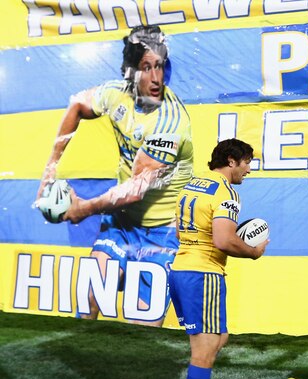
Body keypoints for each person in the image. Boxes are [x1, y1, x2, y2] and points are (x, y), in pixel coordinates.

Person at [36, 25, 193, 326]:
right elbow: (77, 105)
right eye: (147, 68)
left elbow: (135, 189)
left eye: (160, 66)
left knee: (142, 327)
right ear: (130, 72)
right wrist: (50, 168)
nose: (156, 78)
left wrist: (84, 208)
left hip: (163, 234)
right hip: (121, 224)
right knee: (91, 298)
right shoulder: (115, 94)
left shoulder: (170, 124)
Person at [168, 138, 268, 379]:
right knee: (205, 351)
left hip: (182, 270)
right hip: (204, 275)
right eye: (247, 162)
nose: (249, 169)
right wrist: (252, 251)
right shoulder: (226, 192)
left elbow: (177, 229)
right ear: (231, 160)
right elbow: (224, 240)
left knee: (217, 340)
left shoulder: (192, 185)